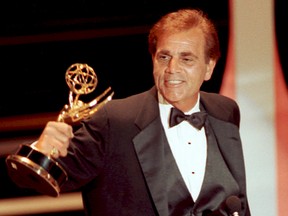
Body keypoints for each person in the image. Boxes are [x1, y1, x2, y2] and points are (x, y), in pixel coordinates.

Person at [32, 8, 250, 215]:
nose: (172, 68)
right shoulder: (115, 120)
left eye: (186, 59)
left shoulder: (225, 111)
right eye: (164, 57)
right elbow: (52, 176)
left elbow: (237, 200)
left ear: (209, 67)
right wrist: (39, 153)